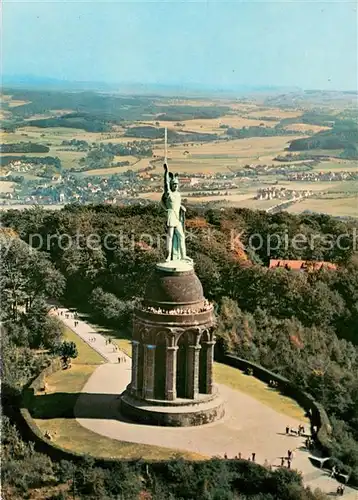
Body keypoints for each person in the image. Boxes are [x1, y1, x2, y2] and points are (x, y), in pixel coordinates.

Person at [161, 163, 192, 262]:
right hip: (171, 216)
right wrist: (166, 171)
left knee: (182, 236)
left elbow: (177, 204)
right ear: (171, 185)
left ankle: (183, 255)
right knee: (170, 237)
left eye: (177, 184)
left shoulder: (178, 194)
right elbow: (165, 183)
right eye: (174, 184)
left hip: (178, 217)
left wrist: (181, 206)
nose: (176, 186)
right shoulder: (168, 193)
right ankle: (168, 256)